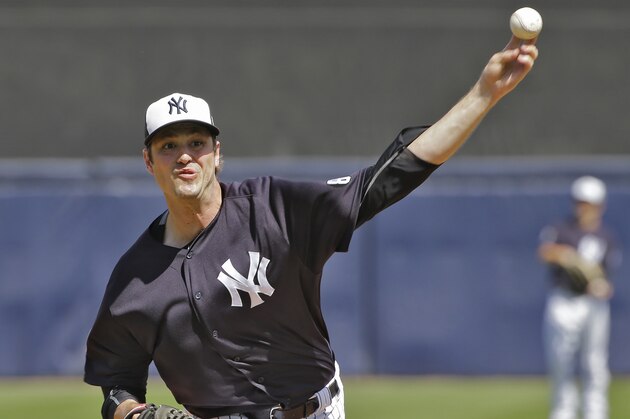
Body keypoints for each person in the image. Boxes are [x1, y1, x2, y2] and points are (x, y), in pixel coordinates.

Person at [84, 35, 538, 419]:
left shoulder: (273, 209)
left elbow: (388, 180)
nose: (185, 156)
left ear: (217, 153)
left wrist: (484, 94)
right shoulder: (133, 282)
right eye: (168, 145)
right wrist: (135, 414)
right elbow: (116, 385)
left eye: (196, 142)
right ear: (148, 161)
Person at [538, 176, 622, 419]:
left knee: (595, 363)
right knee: (560, 361)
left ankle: (596, 412)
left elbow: (605, 276)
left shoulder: (607, 236)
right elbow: (545, 251)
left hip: (593, 305)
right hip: (564, 301)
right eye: (580, 202)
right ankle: (563, 410)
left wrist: (601, 286)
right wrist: (564, 255)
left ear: (600, 205)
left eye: (589, 203)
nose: (584, 208)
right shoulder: (562, 229)